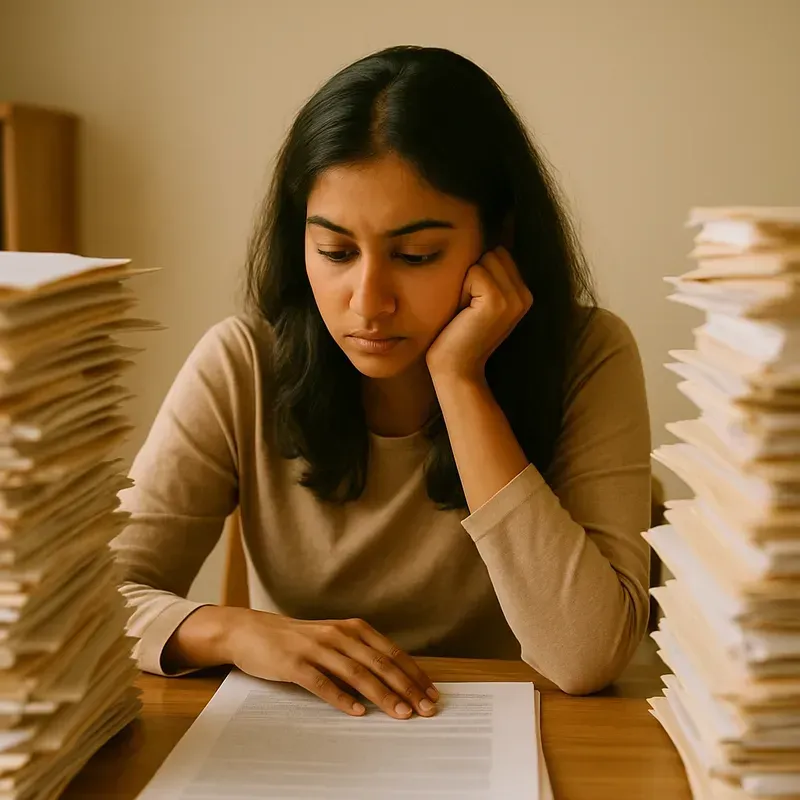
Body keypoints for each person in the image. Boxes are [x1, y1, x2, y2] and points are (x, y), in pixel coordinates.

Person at [111, 45, 652, 721]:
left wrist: (461, 381)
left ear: (499, 239)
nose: (368, 301)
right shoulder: (244, 364)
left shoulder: (589, 356)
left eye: (416, 255)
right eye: (335, 252)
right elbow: (86, 603)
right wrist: (232, 630)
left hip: (525, 742)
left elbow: (585, 656)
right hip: (306, 741)